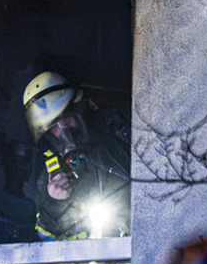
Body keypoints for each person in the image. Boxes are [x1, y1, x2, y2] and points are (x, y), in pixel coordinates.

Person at [21, 71, 131, 241]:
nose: (63, 129)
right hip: (106, 254)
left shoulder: (118, 127)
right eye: (53, 126)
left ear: (80, 109)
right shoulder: (54, 173)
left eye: (66, 117)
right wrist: (54, 204)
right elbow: (45, 236)